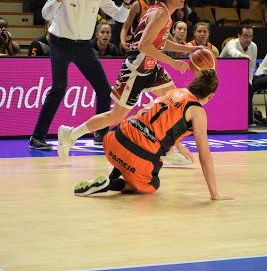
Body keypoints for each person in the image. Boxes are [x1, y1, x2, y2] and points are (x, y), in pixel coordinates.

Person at [58, 0, 201, 158]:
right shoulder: (160, 13)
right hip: (136, 68)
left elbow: (160, 43)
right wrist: (173, 62)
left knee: (174, 102)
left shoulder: (163, 12)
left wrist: (189, 49)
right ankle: (71, 134)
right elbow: (144, 45)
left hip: (150, 66)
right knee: (116, 116)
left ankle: (169, 147)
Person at [29, 0, 138, 150]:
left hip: (84, 46)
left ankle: (100, 134)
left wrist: (126, 2)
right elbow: (46, 14)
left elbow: (119, 16)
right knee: (59, 88)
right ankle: (37, 137)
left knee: (105, 90)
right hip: (60, 43)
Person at [74, 69, 232, 201]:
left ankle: (110, 176)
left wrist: (179, 145)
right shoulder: (198, 111)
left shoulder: (174, 92)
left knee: (135, 148)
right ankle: (111, 184)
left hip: (114, 139)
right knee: (152, 184)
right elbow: (205, 156)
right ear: (211, 96)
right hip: (137, 156)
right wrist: (214, 194)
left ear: (192, 84)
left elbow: (162, 122)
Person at [220, 24, 257, 125]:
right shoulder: (231, 44)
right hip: (223, 76)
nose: (248, 39)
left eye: (250, 36)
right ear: (239, 35)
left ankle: (248, 121)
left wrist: (248, 82)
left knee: (249, 88)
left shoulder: (253, 47)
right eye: (245, 35)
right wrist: (242, 56)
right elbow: (233, 52)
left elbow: (251, 68)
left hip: (239, 79)